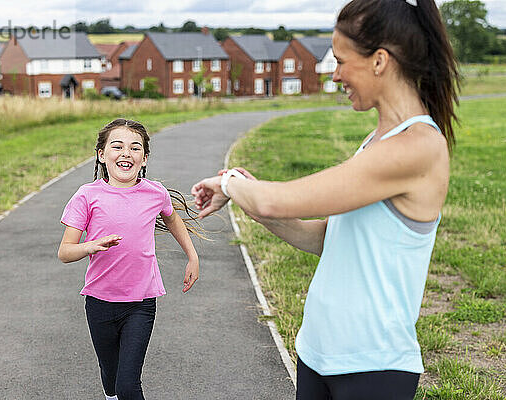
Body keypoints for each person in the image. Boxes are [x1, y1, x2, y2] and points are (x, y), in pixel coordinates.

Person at [191, 0, 459, 398]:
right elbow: (324, 239)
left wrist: (233, 184)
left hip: (372, 366)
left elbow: (274, 202)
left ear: (379, 61)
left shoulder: (418, 147)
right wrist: (253, 197)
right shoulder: (376, 143)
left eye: (341, 61)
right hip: (317, 353)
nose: (335, 76)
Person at [58, 119, 201, 400]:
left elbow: (173, 220)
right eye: (117, 146)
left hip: (141, 304)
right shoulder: (87, 196)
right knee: (110, 376)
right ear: (101, 154)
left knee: (128, 385)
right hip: (99, 303)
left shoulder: (155, 192)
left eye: (135, 148)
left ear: (144, 158)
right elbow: (64, 252)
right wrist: (91, 245)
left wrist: (192, 256)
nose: (126, 153)